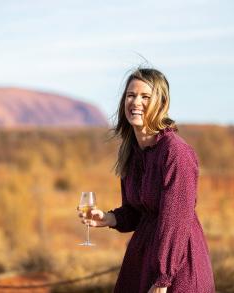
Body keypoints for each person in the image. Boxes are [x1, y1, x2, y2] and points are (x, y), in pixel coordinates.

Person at [79, 68, 215, 293]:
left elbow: (176, 220)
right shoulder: (132, 152)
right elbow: (136, 212)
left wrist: (163, 278)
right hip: (143, 261)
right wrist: (109, 218)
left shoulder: (176, 153)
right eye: (131, 95)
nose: (136, 102)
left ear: (161, 103)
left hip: (177, 267)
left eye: (145, 97)